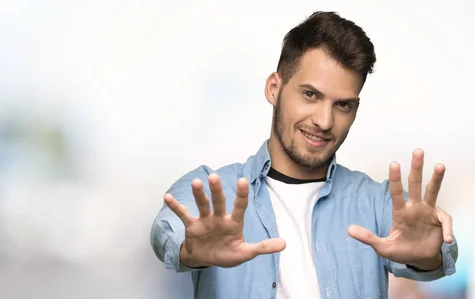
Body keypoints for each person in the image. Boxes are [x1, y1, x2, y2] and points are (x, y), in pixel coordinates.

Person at [151, 11, 458, 299]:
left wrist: (429, 253)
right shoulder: (211, 190)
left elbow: (435, 251)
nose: (324, 121)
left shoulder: (376, 203)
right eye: (310, 95)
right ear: (274, 88)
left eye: (342, 105)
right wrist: (191, 250)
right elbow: (167, 233)